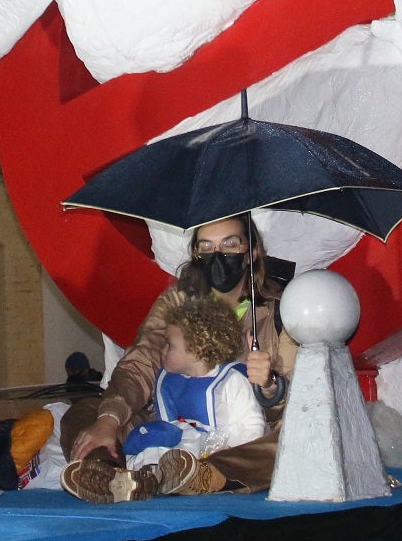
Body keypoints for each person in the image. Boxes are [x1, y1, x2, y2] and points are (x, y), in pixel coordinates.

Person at [59, 215, 296, 501]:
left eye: (230, 245)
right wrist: (108, 421)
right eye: (206, 247)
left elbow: (294, 404)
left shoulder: (282, 309)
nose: (217, 255)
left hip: (237, 439)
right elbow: (140, 363)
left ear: (252, 252)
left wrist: (269, 385)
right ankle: (109, 474)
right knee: (84, 412)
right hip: (170, 430)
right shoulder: (177, 302)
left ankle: (199, 476)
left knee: (290, 442)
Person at [119, 290, 266, 488]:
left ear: (196, 350)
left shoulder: (230, 381)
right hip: (185, 448)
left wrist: (237, 451)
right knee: (154, 445)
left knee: (188, 453)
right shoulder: (169, 381)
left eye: (169, 345)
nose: (162, 351)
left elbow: (253, 424)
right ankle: (137, 477)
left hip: (222, 455)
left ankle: (169, 476)